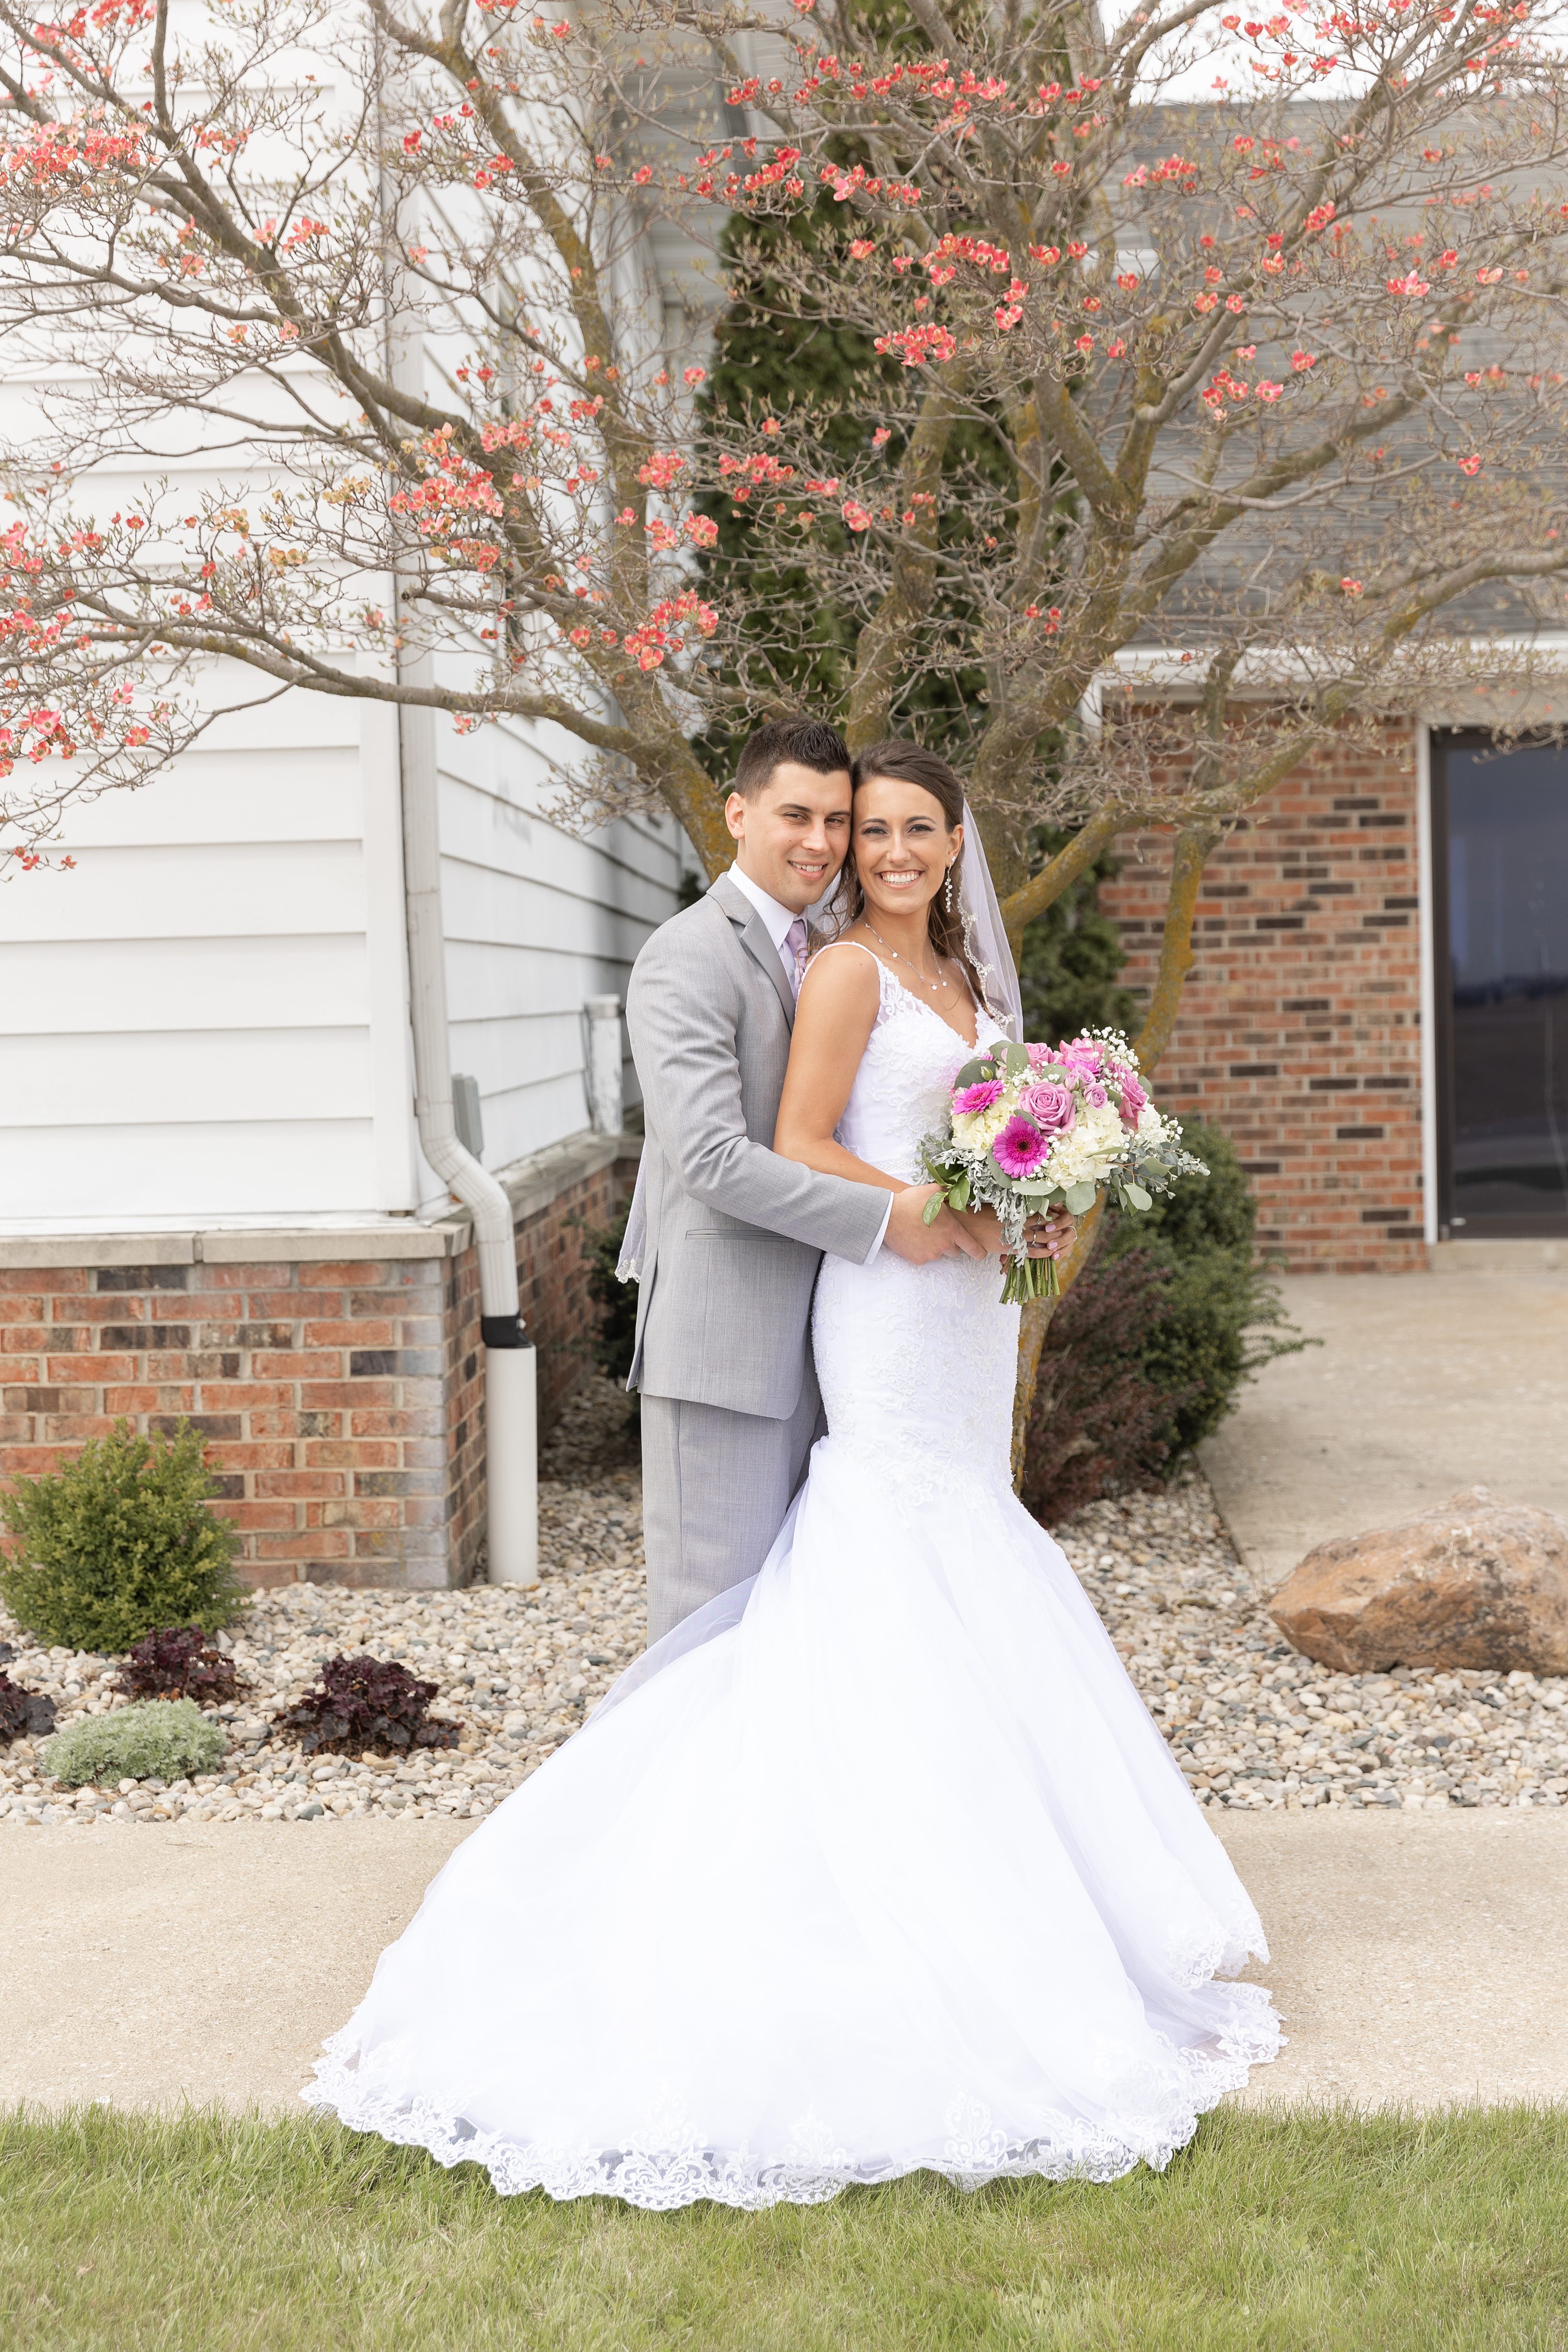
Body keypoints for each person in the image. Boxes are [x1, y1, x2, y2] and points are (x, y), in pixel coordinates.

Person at [303, 738, 1282, 2208]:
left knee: (917, 1598)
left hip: (953, 1320)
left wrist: (1037, 1203)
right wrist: (930, 1217)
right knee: (744, 1638)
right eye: (840, 822)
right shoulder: (798, 968)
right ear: (753, 818)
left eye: (897, 826)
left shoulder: (968, 982)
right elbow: (766, 1147)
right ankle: (685, 1940)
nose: (866, 846)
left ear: (957, 844)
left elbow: (995, 1142)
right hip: (869, 1307)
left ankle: (970, 1903)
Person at [618, 715, 1064, 1641]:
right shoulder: (689, 955)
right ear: (737, 815)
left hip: (861, 1324)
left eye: (836, 819)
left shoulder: (856, 953)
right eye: (799, 817)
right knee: (716, 1627)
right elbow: (711, 1157)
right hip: (735, 1336)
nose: (821, 842)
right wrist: (897, 1214)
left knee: (828, 1619)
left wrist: (1025, 1210)